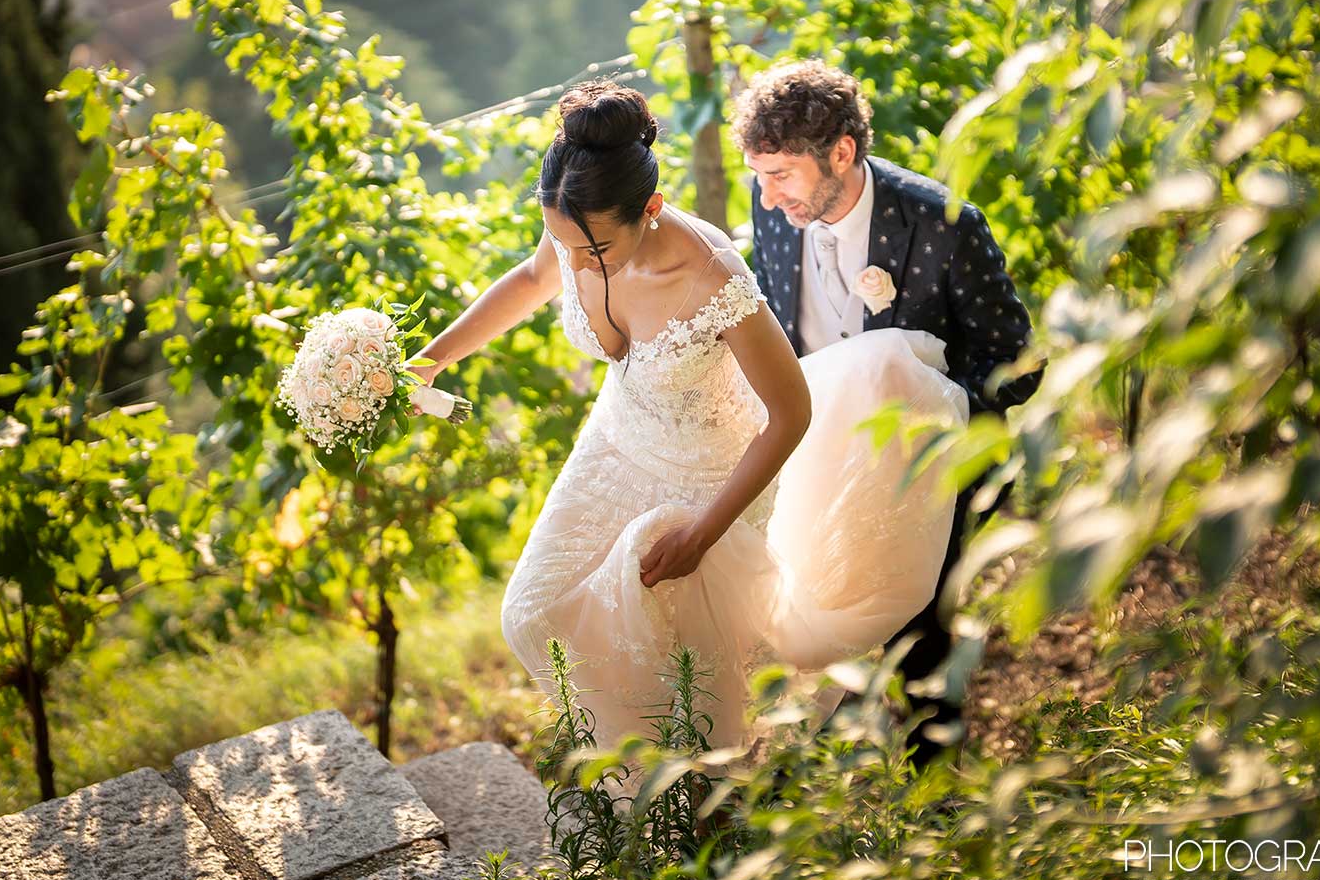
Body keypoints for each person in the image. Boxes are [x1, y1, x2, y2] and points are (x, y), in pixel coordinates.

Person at [412, 81, 968, 755]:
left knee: (690, 671)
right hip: (618, 441)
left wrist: (705, 533)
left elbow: (791, 413)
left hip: (709, 474)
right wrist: (432, 360)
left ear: (651, 208)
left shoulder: (712, 277)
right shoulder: (575, 216)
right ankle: (637, 780)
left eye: (596, 254)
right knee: (530, 614)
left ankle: (707, 812)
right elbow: (533, 280)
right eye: (569, 248)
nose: (578, 264)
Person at [735, 58, 1041, 769]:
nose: (768, 195)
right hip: (813, 459)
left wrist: (927, 403)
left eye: (780, 173)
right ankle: (828, 770)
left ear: (841, 152)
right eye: (758, 175)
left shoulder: (943, 224)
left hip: (925, 465)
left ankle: (935, 797)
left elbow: (1016, 359)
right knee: (806, 608)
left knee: (924, 630)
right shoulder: (775, 210)